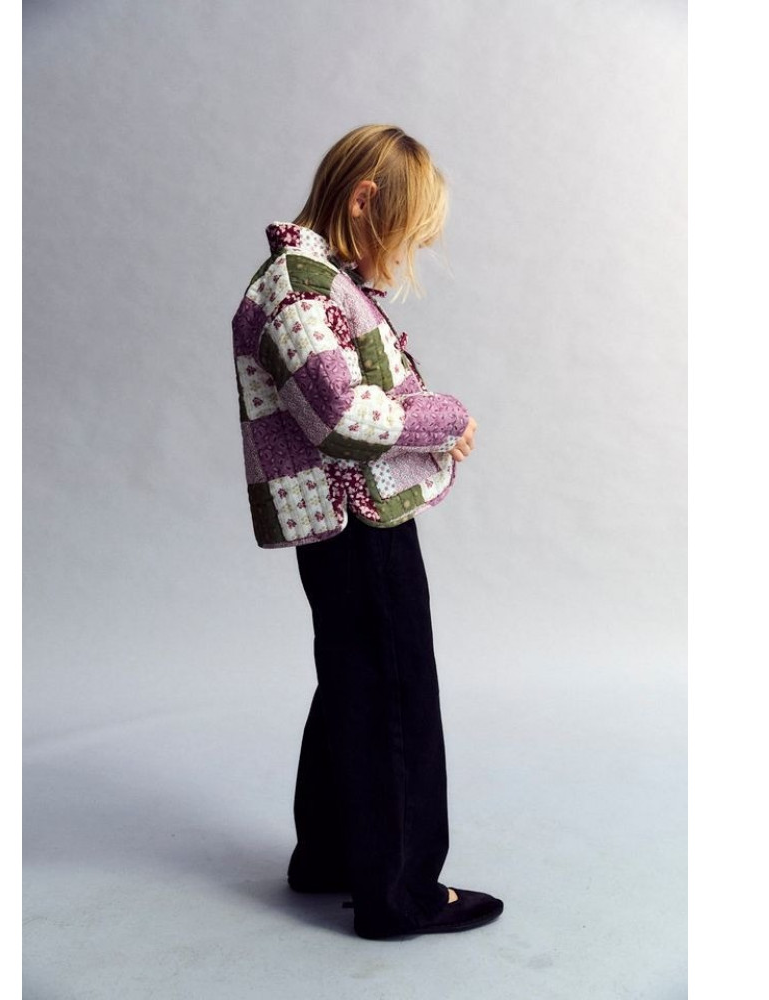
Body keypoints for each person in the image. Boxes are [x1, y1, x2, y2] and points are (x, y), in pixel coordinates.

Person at [231, 124, 503, 940]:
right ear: (362, 200)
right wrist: (443, 417)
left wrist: (424, 427)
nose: (403, 254)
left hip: (348, 514)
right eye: (402, 231)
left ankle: (331, 857)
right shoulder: (299, 287)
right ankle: (401, 893)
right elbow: (341, 415)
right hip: (356, 516)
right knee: (394, 694)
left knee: (354, 683)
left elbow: (350, 398)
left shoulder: (315, 282)